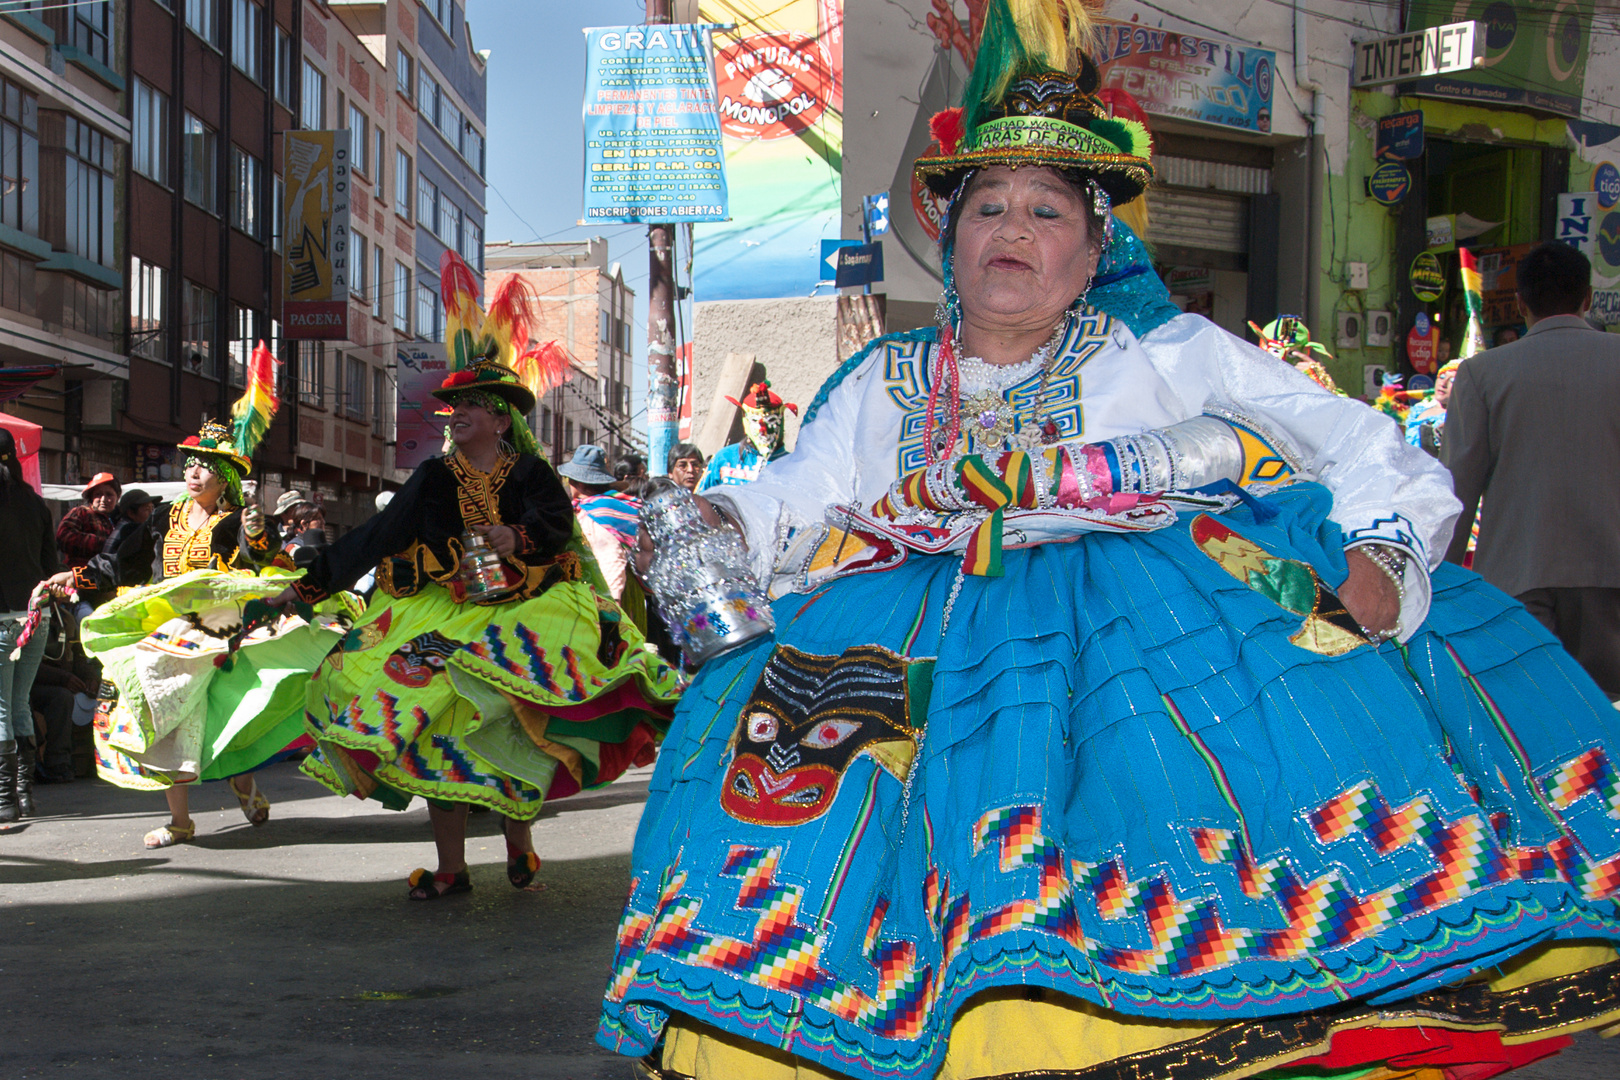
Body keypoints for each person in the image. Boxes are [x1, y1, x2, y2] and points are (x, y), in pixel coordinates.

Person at [601, 9, 1620, 1078]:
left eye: (1047, 209)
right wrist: (722, 522)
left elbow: (1366, 446)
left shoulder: (1171, 354)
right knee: (828, 866)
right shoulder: (879, 381)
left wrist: (1384, 557)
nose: (1012, 226)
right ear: (949, 238)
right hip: (907, 658)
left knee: (1165, 878)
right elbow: (801, 499)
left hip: (1147, 660)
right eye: (986, 204)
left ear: (1094, 251)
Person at [271, 253, 681, 901]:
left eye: (471, 404)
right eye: (453, 405)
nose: (456, 413)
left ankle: (521, 847)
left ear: (500, 416)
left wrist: (515, 535)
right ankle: (450, 869)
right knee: (432, 738)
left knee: (516, 732)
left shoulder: (530, 473)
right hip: (443, 614)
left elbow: (554, 525)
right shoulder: (433, 477)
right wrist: (309, 585)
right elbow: (380, 535)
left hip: (523, 614)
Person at [47, 343, 355, 848]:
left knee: (210, 713)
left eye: (203, 466)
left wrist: (258, 533)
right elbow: (120, 562)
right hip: (172, 623)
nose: (191, 472)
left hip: (220, 627)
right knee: (170, 713)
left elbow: (261, 558)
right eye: (188, 464)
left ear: (226, 476)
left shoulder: (235, 519)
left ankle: (238, 781)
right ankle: (183, 819)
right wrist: (71, 580)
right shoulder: (165, 517)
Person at [1445, 241, 1620, 700]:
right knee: (1605, 711)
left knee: (1533, 710)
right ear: (1587, 298)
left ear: (1521, 303)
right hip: (1611, 571)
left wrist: (1442, 579)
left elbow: (1457, 489)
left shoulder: (1482, 373)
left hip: (1517, 574)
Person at [0, 427, 58, 823]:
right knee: (17, 703)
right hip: (38, 615)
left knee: (2, 707)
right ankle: (23, 797)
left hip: (2, 617)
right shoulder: (36, 504)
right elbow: (51, 568)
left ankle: (4, 801)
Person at [559, 445, 641, 601]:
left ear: (580, 483)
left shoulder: (596, 515)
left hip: (613, 596)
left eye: (569, 479)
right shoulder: (613, 505)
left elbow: (611, 560)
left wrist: (611, 606)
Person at [698, 379, 796, 489]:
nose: (763, 430)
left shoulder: (793, 466)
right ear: (746, 421)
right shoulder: (725, 458)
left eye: (771, 421)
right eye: (755, 421)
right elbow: (699, 502)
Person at [55, 473, 120, 570]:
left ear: (117, 497)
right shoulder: (81, 513)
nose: (103, 499)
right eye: (98, 494)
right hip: (80, 575)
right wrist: (103, 544)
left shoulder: (119, 519)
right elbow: (64, 536)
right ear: (91, 497)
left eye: (109, 494)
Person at [1403, 358, 1460, 456]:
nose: (1443, 384)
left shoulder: (1460, 418)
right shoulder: (1420, 408)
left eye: (1452, 380)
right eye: (1442, 377)